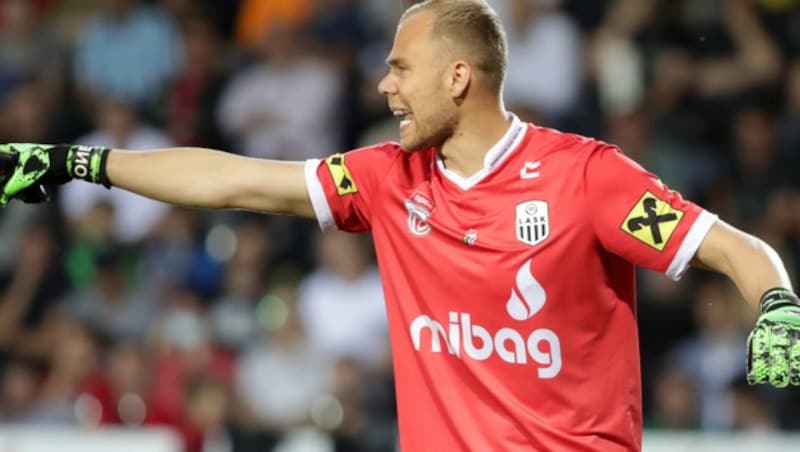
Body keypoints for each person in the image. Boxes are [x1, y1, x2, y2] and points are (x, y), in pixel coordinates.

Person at [0, 0, 798, 450]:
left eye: (400, 68)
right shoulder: (387, 178)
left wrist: (778, 305)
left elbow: (739, 248)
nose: (383, 86)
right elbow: (232, 179)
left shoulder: (587, 178)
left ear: (459, 76)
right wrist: (80, 163)